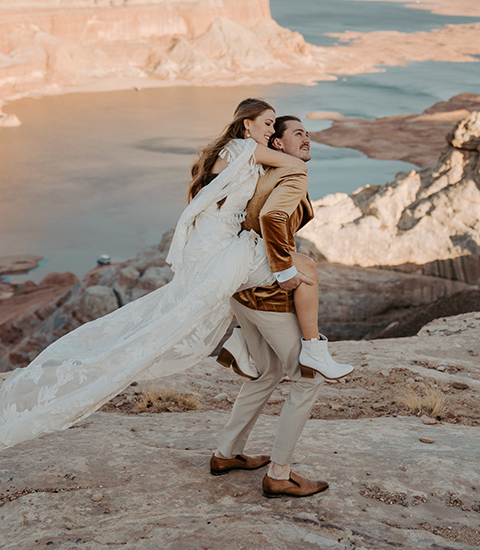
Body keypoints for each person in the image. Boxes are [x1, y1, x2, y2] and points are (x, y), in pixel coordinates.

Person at [0, 99, 348, 451]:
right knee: (301, 269)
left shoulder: (230, 151)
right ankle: (310, 350)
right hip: (223, 245)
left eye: (275, 126)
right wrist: (288, 160)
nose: (272, 131)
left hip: (212, 243)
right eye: (269, 124)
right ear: (247, 125)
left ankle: (241, 343)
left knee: (213, 293)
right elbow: (287, 181)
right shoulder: (247, 149)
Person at [211, 115, 344, 498]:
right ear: (279, 145)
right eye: (298, 133)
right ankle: (280, 474)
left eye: (307, 133)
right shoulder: (292, 175)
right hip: (267, 292)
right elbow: (272, 217)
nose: (308, 138)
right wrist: (287, 270)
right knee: (309, 376)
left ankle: (226, 454)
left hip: (242, 289)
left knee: (266, 372)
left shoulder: (257, 171)